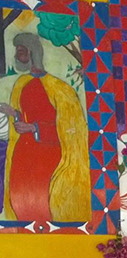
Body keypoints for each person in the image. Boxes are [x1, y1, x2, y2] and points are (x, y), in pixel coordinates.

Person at [0, 32, 90, 223]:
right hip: (23, 155)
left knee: (43, 200)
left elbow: (71, 127)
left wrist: (34, 128)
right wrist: (14, 113)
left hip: (48, 156)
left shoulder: (60, 89)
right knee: (19, 197)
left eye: (21, 52)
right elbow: (26, 115)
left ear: (33, 52)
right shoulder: (21, 83)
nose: (17, 56)